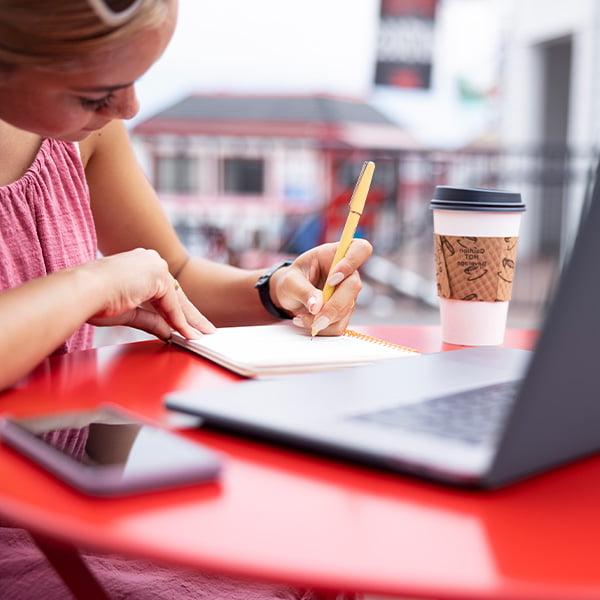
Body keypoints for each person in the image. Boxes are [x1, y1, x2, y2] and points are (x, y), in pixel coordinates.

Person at [0, 0, 371, 598]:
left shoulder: (83, 134)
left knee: (309, 567)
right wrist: (89, 281)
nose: (129, 108)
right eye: (97, 92)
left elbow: (168, 271)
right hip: (25, 526)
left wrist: (276, 289)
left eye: (134, 80)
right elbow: (119, 275)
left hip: (74, 503)